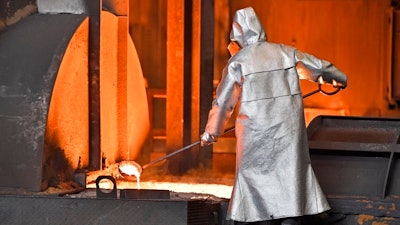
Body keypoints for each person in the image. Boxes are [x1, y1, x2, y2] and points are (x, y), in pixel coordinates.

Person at [200, 7, 347, 225]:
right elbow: (319, 67)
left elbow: (223, 103)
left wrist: (211, 132)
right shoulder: (285, 52)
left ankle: (257, 217)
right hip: (288, 130)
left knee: (253, 176)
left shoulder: (239, 61)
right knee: (289, 172)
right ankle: (291, 216)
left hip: (254, 134)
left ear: (238, 36)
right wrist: (339, 79)